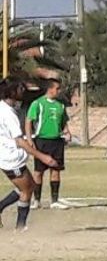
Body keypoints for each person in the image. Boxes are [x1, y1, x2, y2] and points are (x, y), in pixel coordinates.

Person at [0, 78, 58, 230]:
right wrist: (42, 156)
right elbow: (20, 141)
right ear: (11, 92)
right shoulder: (8, 114)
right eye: (20, 88)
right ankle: (20, 226)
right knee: (27, 189)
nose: (23, 91)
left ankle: (4, 210)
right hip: (11, 159)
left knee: (28, 186)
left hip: (7, 156)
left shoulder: (3, 108)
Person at [25, 78, 71, 210]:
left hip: (57, 141)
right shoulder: (38, 103)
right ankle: (37, 200)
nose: (59, 91)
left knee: (56, 170)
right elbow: (28, 121)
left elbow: (63, 122)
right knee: (38, 171)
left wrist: (67, 132)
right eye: (57, 88)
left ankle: (54, 200)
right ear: (50, 89)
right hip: (41, 141)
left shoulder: (60, 105)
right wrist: (29, 139)